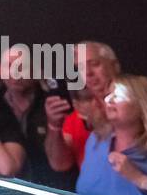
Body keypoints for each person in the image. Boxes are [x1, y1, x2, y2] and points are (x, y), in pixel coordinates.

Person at [45, 41, 119, 174]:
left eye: (95, 64)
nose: (88, 73)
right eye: (81, 68)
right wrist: (54, 126)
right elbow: (60, 164)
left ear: (114, 66)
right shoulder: (76, 118)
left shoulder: (139, 103)